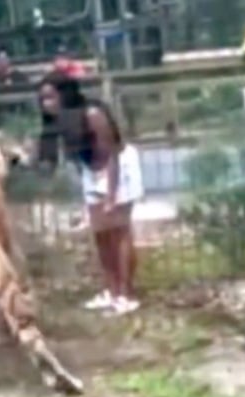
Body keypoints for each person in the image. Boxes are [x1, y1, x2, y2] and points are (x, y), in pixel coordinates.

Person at [36, 70, 143, 315]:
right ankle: (111, 290)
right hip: (92, 169)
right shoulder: (58, 122)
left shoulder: (92, 113)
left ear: (65, 95)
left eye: (51, 98)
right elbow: (54, 160)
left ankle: (126, 296)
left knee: (119, 231)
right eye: (43, 99)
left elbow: (112, 153)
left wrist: (111, 195)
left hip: (118, 167)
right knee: (101, 234)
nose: (46, 104)